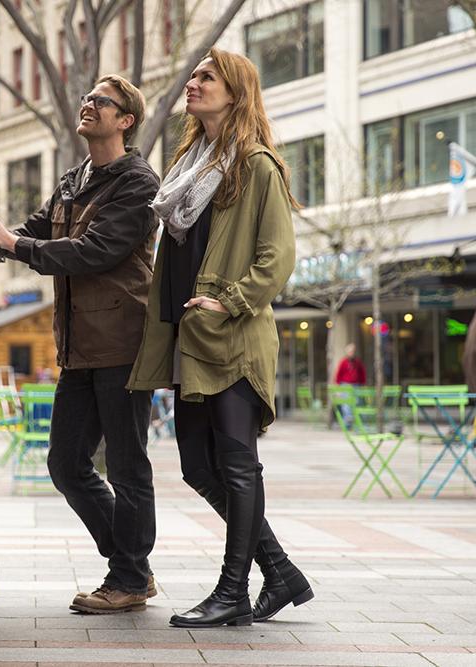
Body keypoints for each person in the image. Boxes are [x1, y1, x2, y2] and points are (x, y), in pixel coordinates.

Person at [126, 48, 313, 628]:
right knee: (197, 467)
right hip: (188, 339)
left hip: (231, 337)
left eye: (208, 76)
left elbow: (277, 258)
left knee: (237, 467)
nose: (194, 82)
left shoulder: (256, 165)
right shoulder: (191, 164)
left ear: (236, 91)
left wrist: (228, 299)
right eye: (194, 74)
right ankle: (279, 571)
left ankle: (233, 592)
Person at [0, 74, 160, 614]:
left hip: (123, 341)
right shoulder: (73, 179)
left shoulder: (138, 182)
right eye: (86, 98)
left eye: (100, 101)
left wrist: (19, 244)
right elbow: (35, 230)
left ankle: (128, 577)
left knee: (127, 466)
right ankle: (133, 567)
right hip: (79, 346)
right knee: (65, 463)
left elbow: (92, 251)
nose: (87, 104)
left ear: (125, 120)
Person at [334, 343, 366, 424]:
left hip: (356, 385)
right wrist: (339, 387)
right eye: (350, 351)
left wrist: (362, 384)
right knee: (346, 403)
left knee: (357, 402)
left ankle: (355, 421)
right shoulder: (343, 362)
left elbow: (362, 373)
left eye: (353, 351)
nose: (351, 353)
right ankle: (348, 421)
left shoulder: (357, 362)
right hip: (345, 385)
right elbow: (339, 375)